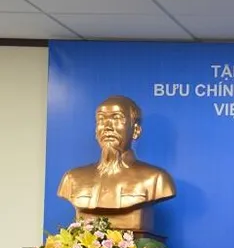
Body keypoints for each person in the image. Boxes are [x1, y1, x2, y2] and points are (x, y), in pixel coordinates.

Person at [57, 95, 176, 232]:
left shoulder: (156, 179)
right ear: (96, 131)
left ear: (136, 130)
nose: (107, 127)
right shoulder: (72, 178)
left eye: (117, 118)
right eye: (101, 119)